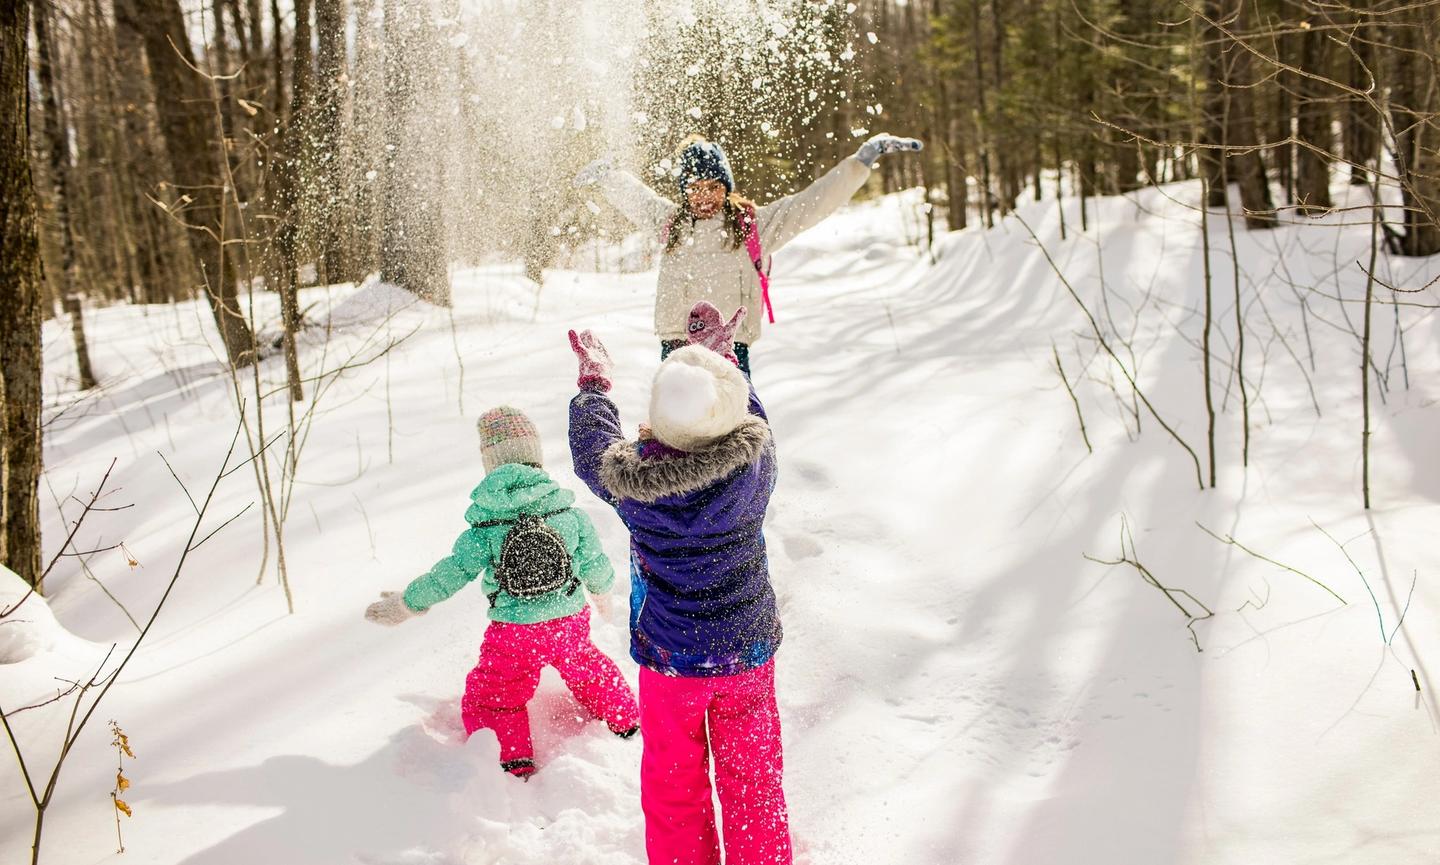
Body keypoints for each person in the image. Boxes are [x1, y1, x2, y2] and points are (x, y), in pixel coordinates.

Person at [567, 301, 791, 864]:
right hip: (748, 651)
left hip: (671, 664)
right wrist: (719, 360)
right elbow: (752, 414)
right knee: (754, 783)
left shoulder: (635, 490)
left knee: (673, 788)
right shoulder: (755, 467)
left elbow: (592, 450)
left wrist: (594, 387)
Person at [364, 406, 639, 780]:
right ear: (535, 456)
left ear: (489, 462)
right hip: (567, 620)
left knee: (495, 693)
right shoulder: (567, 514)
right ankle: (625, 719)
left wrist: (408, 603)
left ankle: (513, 758)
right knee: (587, 666)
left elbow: (449, 574)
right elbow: (595, 563)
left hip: (514, 632)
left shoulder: (486, 525)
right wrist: (602, 593)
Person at [573, 132, 923, 375]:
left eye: (713, 187)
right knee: (676, 434)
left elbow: (811, 203)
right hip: (677, 345)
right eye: (695, 188)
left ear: (726, 188)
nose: (704, 196)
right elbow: (638, 198)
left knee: (735, 432)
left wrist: (859, 163)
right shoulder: (672, 224)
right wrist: (607, 177)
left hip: (731, 346)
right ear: (684, 191)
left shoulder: (750, 226)